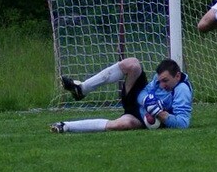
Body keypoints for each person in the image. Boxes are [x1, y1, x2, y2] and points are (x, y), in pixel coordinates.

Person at [50, 57, 192, 133]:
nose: (161, 85)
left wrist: (158, 113)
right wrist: (146, 100)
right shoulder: (160, 78)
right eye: (159, 81)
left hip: (144, 118)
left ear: (177, 76)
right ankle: (82, 89)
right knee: (132, 64)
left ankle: (65, 126)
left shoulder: (182, 90)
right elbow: (144, 92)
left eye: (165, 81)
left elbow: (183, 124)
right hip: (138, 101)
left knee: (121, 124)